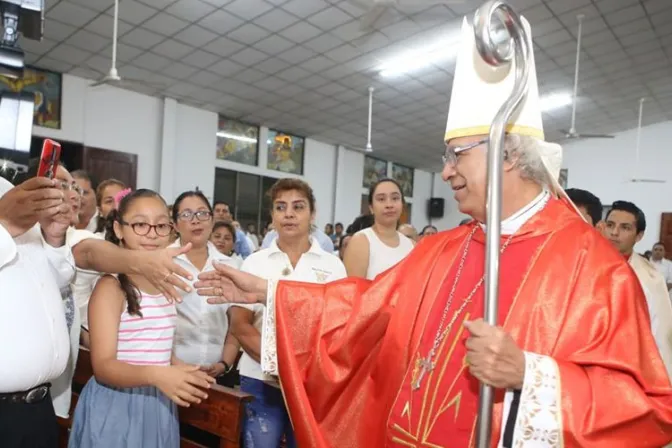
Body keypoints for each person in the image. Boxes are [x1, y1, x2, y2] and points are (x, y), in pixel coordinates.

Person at [195, 16, 672, 448]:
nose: (445, 172)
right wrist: (269, 291)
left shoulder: (592, 267)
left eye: (456, 154)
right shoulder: (445, 248)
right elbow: (364, 309)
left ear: (506, 152)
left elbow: (647, 409)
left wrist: (530, 374)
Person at [68, 189, 214, 448]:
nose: (152, 234)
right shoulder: (111, 288)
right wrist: (159, 375)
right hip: (117, 404)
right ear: (119, 228)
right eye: (140, 225)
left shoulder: (166, 283)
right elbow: (103, 366)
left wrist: (178, 367)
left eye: (160, 226)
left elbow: (155, 346)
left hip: (157, 402)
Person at [228, 178, 346, 448]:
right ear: (272, 215)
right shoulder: (254, 262)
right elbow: (240, 325)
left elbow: (337, 330)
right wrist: (282, 367)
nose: (289, 214)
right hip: (259, 380)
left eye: (298, 206)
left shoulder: (333, 266)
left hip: (313, 384)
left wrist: (304, 372)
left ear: (312, 214)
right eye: (281, 207)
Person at [0, 175, 74, 447]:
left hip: (37, 408)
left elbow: (48, 284)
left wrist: (53, 239)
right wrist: (4, 225)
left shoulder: (8, 190)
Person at [170, 191, 241, 385]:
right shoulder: (165, 262)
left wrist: (224, 364)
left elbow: (236, 323)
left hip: (216, 375)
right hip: (171, 373)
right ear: (175, 224)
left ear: (211, 220)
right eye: (186, 214)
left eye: (202, 213)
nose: (196, 221)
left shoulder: (230, 266)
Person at [603, 201, 672, 378]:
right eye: (610, 225)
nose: (614, 233)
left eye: (625, 228)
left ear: (639, 236)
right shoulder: (584, 264)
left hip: (629, 368)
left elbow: (663, 337)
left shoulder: (651, 278)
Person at [344, 179, 414, 280]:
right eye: (381, 199)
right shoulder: (361, 241)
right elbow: (351, 292)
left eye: (395, 198)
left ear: (402, 204)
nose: (389, 205)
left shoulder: (412, 245)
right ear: (371, 207)